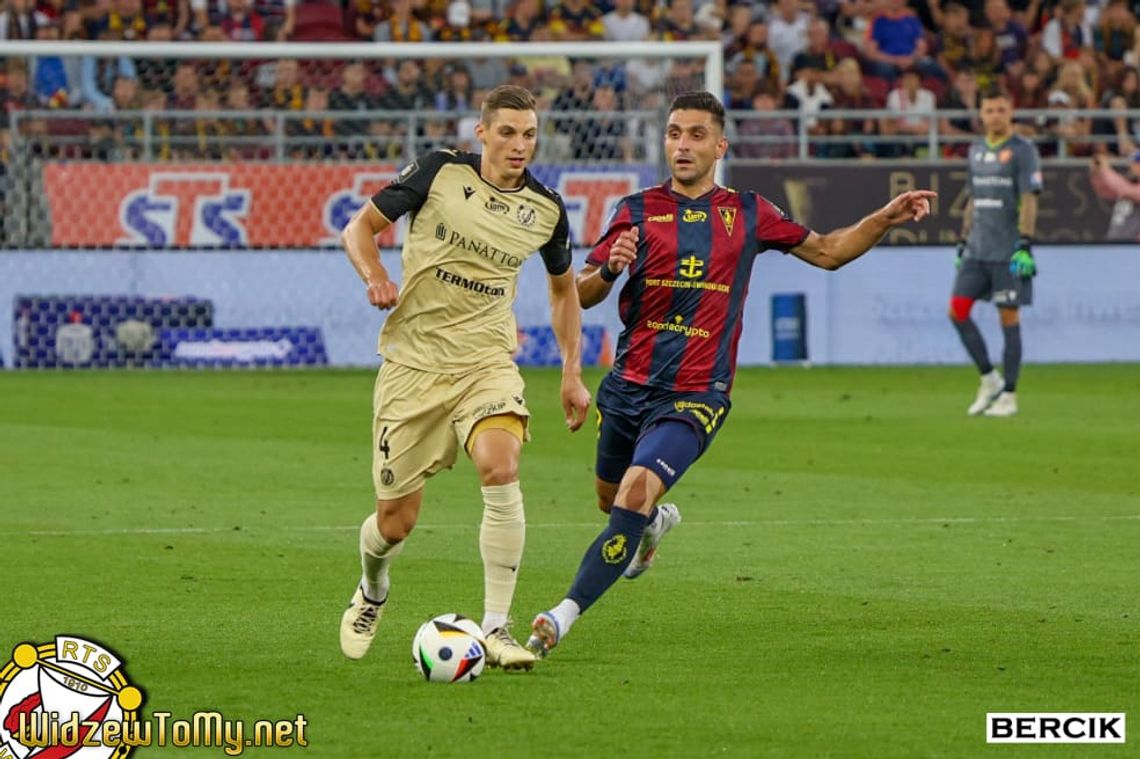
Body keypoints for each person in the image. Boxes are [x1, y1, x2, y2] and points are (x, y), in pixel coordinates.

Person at [524, 91, 935, 658]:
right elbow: (585, 293)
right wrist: (612, 270)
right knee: (611, 502)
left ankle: (559, 616)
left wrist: (884, 218)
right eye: (674, 133)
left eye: (695, 135)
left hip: (697, 392)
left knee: (635, 492)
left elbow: (829, 252)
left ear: (720, 145)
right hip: (628, 387)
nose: (682, 145)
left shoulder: (748, 212)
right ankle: (648, 528)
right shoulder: (635, 209)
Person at [338, 85, 592, 671]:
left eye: (529, 134)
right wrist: (375, 275)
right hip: (413, 364)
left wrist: (571, 372)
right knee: (394, 522)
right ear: (481, 133)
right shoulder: (438, 173)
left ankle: (497, 628)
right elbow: (359, 229)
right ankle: (373, 587)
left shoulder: (547, 211)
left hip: (486, 361)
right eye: (507, 132)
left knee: (500, 467)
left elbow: (563, 292)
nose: (518, 145)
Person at [950, 85, 1042, 418]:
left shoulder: (1022, 150)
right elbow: (973, 199)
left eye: (1001, 110)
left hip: (1008, 251)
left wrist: (1026, 243)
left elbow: (1030, 199)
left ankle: (1010, 395)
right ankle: (989, 379)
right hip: (976, 249)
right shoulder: (975, 150)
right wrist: (963, 240)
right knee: (957, 311)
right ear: (981, 115)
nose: (995, 116)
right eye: (989, 111)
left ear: (1011, 111)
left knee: (1008, 317)